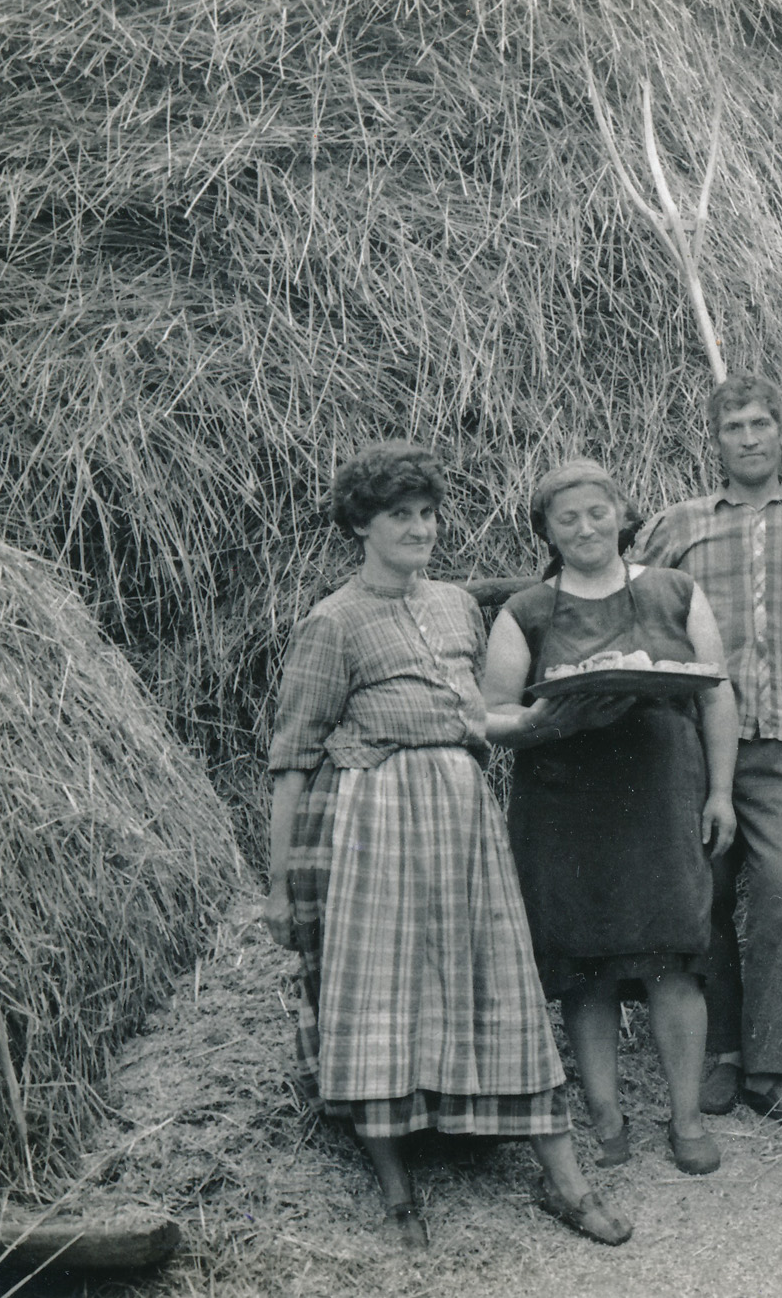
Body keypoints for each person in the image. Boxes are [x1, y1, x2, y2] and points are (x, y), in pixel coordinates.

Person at [263, 441, 628, 1249]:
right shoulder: (332, 622)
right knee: (379, 996)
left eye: (428, 514)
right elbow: (291, 759)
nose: (420, 529)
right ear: (361, 525)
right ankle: (397, 1188)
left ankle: (565, 1182)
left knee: (501, 981)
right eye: (400, 515)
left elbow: (475, 721)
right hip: (375, 827)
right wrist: (280, 886)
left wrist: (540, 721)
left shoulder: (458, 607)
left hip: (462, 820)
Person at [481, 461, 740, 1177]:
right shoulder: (527, 611)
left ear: (623, 514)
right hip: (564, 808)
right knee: (583, 967)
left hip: (662, 802)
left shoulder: (674, 590)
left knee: (675, 961)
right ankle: (606, 1117)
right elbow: (490, 714)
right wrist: (540, 722)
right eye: (567, 518)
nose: (586, 528)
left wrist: (721, 792)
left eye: (598, 512)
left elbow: (716, 694)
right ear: (547, 532)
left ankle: (686, 1120)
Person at [631, 376, 782, 1129]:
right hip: (696, 745)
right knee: (706, 896)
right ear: (714, 443)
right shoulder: (680, 524)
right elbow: (626, 598)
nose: (749, 439)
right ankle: (720, 1051)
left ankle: (770, 1069)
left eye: (760, 424)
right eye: (733, 428)